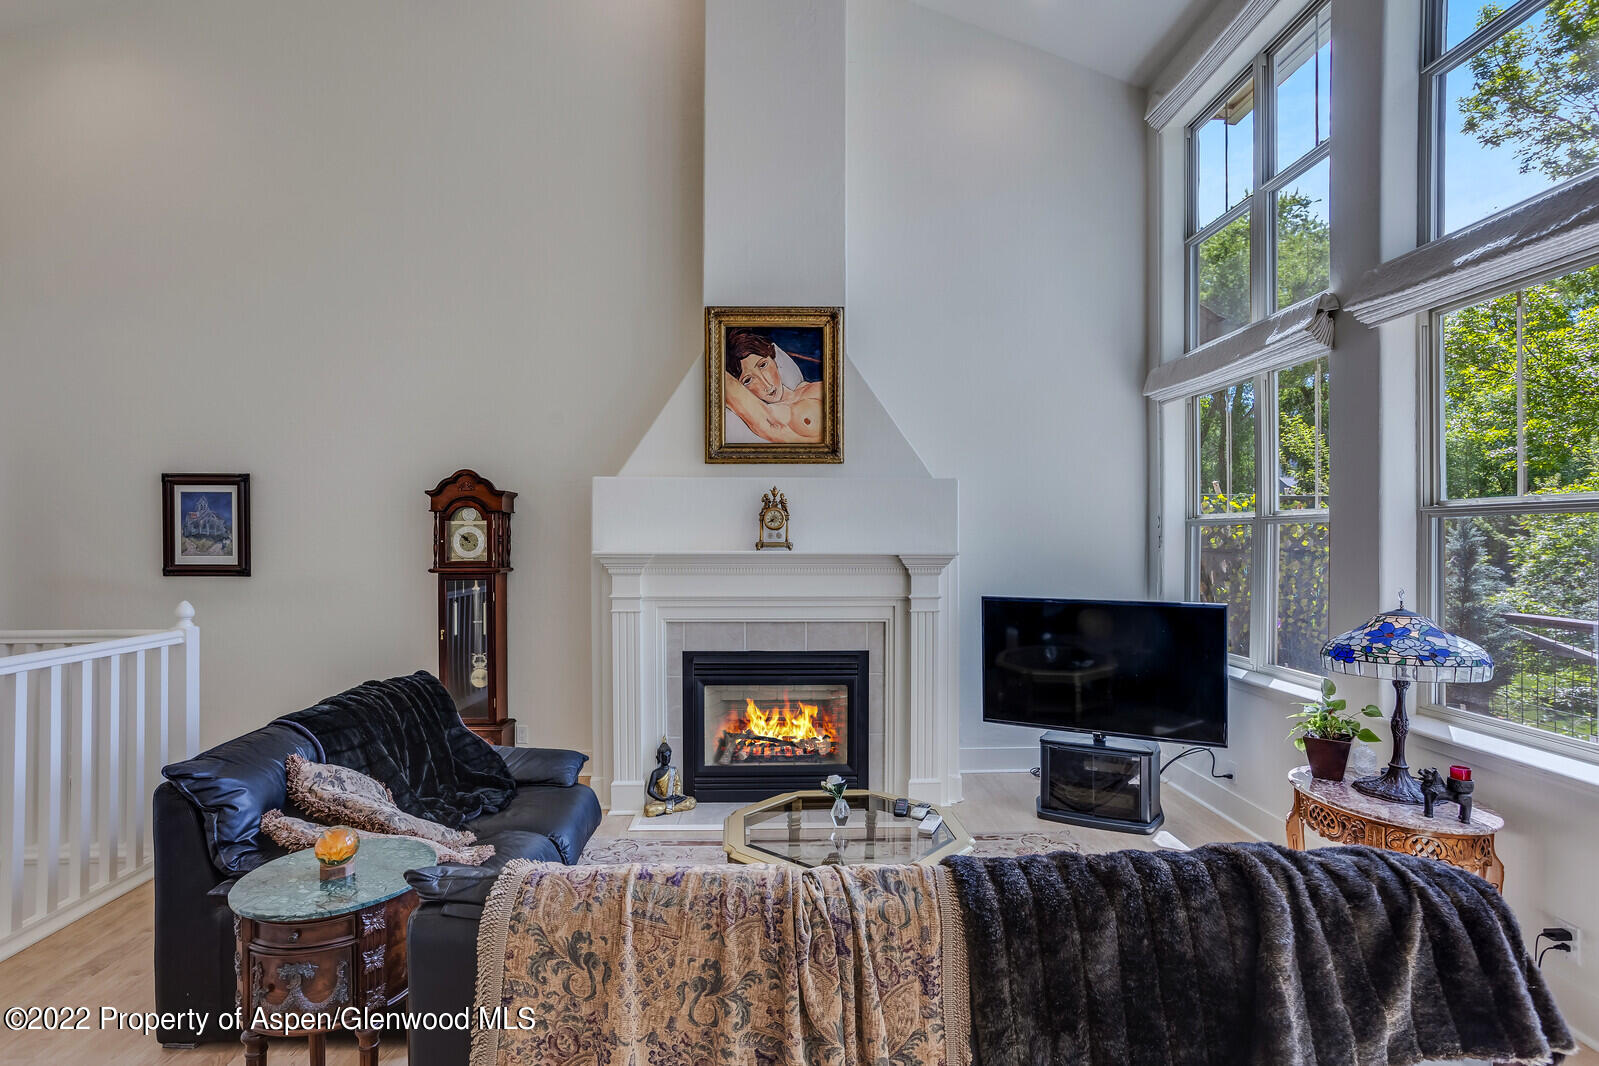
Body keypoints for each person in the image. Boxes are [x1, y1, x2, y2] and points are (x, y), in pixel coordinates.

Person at [722, 329, 824, 443]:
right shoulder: (772, 418)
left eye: (763, 365)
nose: (766, 384)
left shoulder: (814, 388)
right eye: (748, 380)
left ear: (773, 359)